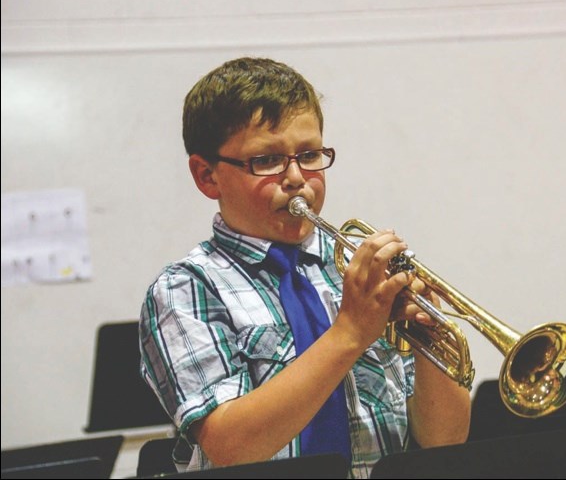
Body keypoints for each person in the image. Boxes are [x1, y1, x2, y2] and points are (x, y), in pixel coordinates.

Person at [139, 57, 471, 478]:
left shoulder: (359, 271)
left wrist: (429, 339)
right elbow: (230, 445)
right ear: (207, 176)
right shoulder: (186, 289)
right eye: (266, 160)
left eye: (310, 154)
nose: (296, 178)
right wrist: (350, 333)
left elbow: (444, 444)